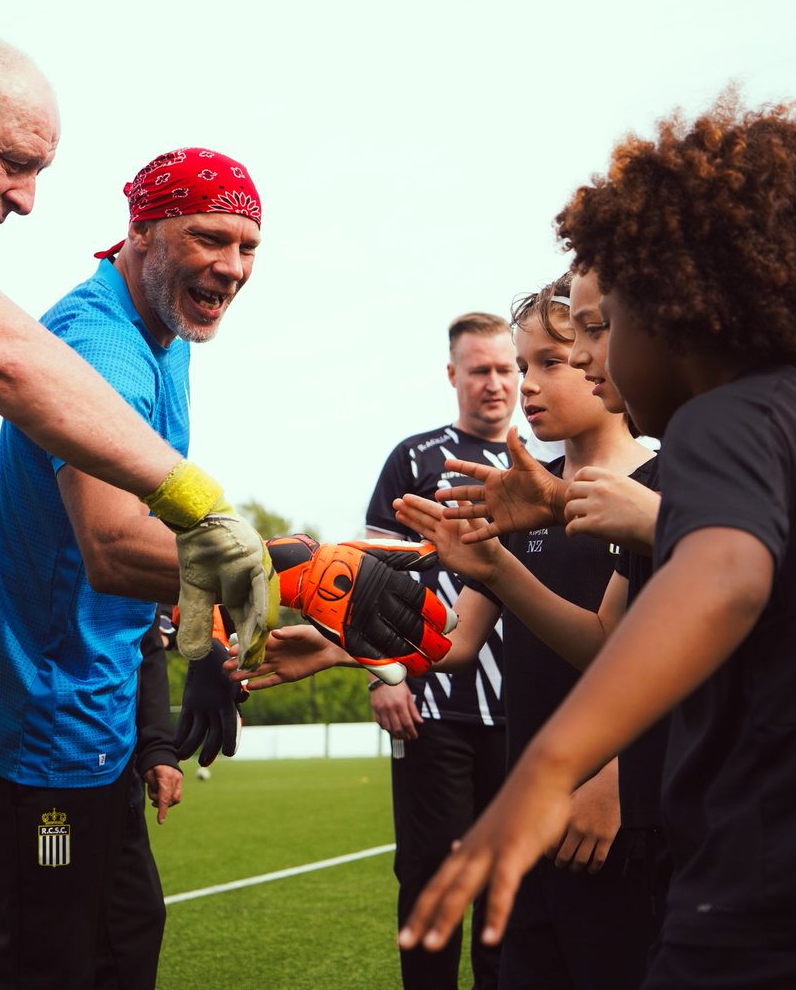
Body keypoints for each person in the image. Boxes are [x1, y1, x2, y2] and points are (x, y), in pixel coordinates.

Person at [0, 149, 450, 990]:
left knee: (113, 931)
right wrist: (297, 575)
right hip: (43, 727)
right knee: (46, 953)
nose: (232, 267)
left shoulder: (165, 331)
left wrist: (207, 644)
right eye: (209, 237)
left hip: (94, 707)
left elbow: (170, 520)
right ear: (140, 230)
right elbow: (110, 547)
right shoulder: (103, 347)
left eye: (249, 247)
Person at [399, 93, 796, 990]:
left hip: (750, 889)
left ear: (673, 308)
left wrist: (550, 769)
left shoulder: (720, 424)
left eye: (603, 323)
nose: (587, 360)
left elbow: (727, 573)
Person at [0, 32, 281, 746]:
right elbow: (4, 361)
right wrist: (199, 506)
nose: (28, 199)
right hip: (50, 724)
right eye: (15, 164)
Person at [242, 278, 660, 990]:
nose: (526, 385)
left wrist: (618, 782)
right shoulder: (521, 488)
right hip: (530, 809)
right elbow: (457, 644)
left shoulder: (657, 487)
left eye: (548, 363)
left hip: (612, 819)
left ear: (604, 352)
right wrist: (349, 650)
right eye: (520, 365)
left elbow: (641, 660)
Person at [0, 476, 181, 989]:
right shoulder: (10, 493)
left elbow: (141, 634)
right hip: (39, 745)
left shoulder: (133, 492)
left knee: (128, 916)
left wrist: (158, 744)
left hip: (105, 743)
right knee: (36, 932)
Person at [364, 311, 517, 990]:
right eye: (480, 369)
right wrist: (386, 673)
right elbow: (367, 579)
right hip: (433, 708)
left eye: (506, 368)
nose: (496, 383)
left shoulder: (541, 462)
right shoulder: (416, 458)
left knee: (512, 886)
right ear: (453, 375)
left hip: (528, 715)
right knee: (433, 874)